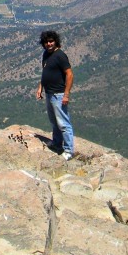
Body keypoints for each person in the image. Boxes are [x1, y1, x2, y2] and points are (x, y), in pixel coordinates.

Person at [36, 29, 75, 161]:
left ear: (56, 41)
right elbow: (45, 72)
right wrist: (40, 87)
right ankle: (57, 144)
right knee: (54, 121)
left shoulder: (60, 55)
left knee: (63, 123)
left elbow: (69, 74)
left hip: (58, 94)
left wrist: (66, 94)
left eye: (51, 41)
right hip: (49, 93)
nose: (49, 44)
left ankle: (69, 151)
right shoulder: (46, 54)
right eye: (46, 42)